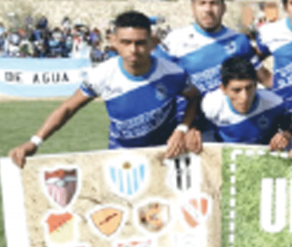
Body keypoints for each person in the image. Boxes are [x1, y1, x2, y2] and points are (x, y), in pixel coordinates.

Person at [9, 11, 200, 168]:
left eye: (140, 43)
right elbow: (67, 108)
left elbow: (194, 98)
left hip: (164, 156)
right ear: (113, 41)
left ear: (152, 42)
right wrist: (34, 142)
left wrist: (183, 128)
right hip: (121, 160)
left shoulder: (173, 73)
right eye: (126, 42)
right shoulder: (101, 75)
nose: (133, 49)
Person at [156, 0, 268, 97]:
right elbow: (152, 76)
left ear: (223, 8)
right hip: (189, 114)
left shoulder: (239, 41)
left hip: (226, 114)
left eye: (214, 3)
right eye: (202, 3)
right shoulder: (174, 40)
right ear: (193, 8)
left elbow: (263, 78)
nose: (208, 9)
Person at [195, 56, 291, 149]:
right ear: (223, 89)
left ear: (256, 85)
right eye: (237, 90)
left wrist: (285, 134)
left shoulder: (274, 102)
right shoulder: (211, 106)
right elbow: (199, 127)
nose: (244, 97)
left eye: (249, 88)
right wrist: (193, 130)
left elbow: (290, 125)